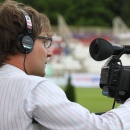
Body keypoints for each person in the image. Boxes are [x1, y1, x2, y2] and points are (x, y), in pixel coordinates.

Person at [0, 0, 130, 130]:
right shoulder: (33, 88)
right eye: (45, 43)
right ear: (25, 43)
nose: (50, 52)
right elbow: (103, 127)